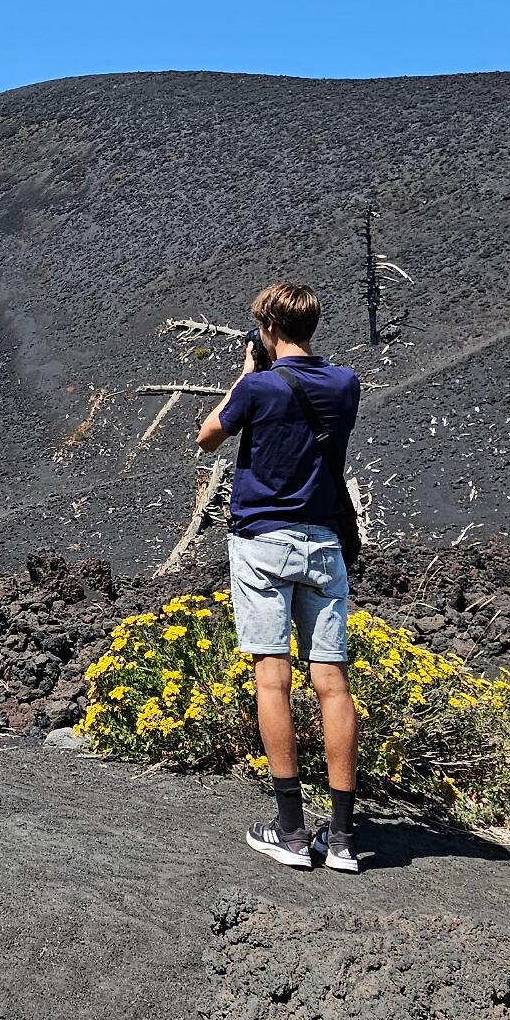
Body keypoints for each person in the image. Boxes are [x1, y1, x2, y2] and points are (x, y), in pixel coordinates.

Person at [196, 281, 364, 872]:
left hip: (263, 541)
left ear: (267, 327)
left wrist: (248, 372)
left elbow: (208, 435)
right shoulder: (345, 383)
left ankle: (290, 831)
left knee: (273, 680)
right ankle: (341, 840)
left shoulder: (258, 386)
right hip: (324, 543)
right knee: (333, 684)